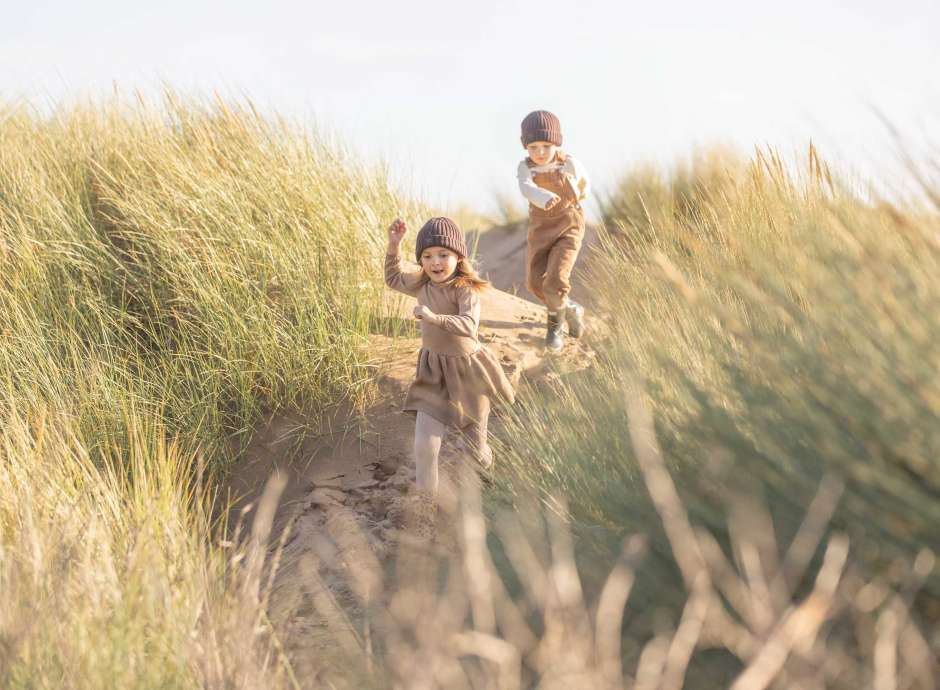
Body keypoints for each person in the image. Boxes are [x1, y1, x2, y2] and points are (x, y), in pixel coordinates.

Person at [384, 216, 515, 532]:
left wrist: (434, 317)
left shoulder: (465, 289)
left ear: (458, 256)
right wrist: (394, 245)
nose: (435, 262)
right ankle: (426, 514)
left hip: (469, 374)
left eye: (443, 254)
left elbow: (469, 326)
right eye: (427, 256)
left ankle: (487, 473)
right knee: (425, 447)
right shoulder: (421, 284)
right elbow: (392, 278)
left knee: (476, 451)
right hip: (434, 373)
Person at [516, 109, 590, 350]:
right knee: (535, 283)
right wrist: (543, 196)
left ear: (556, 143)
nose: (539, 153)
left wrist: (577, 193)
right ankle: (569, 309)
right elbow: (526, 188)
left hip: (568, 226)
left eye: (545, 146)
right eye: (533, 146)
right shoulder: (525, 167)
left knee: (556, 278)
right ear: (525, 147)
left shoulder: (568, 163)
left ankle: (554, 328)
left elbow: (583, 182)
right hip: (540, 230)